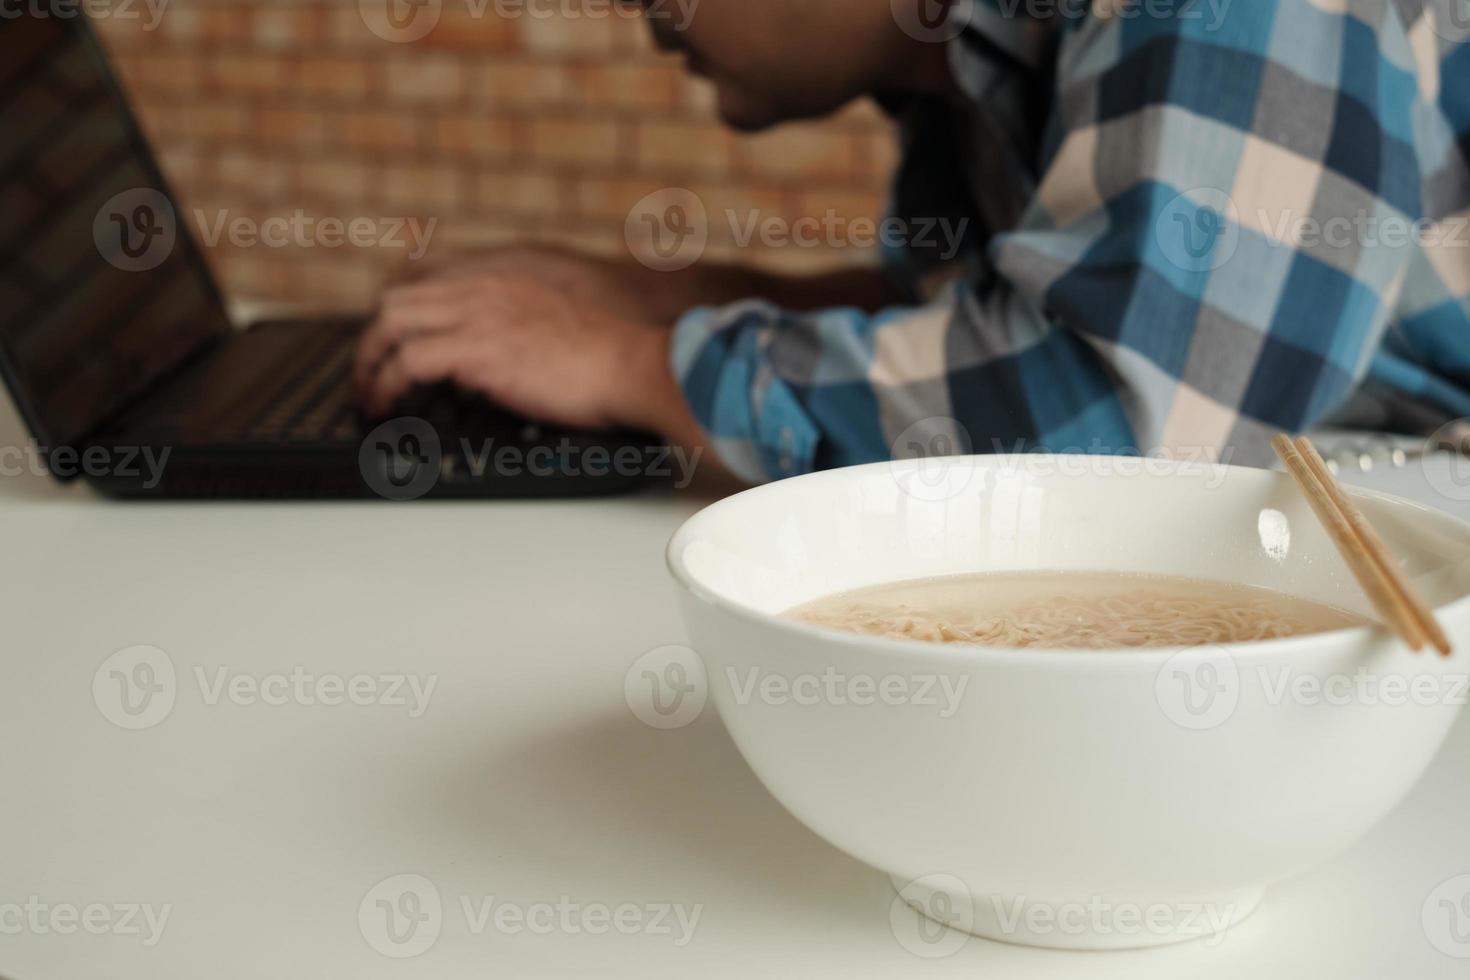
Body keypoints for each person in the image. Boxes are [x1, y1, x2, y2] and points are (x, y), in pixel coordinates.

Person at [352, 0, 1470, 485]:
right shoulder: (972, 79)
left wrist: (626, 366)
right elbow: (1013, 323)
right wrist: (684, 296)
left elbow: (1121, 430)